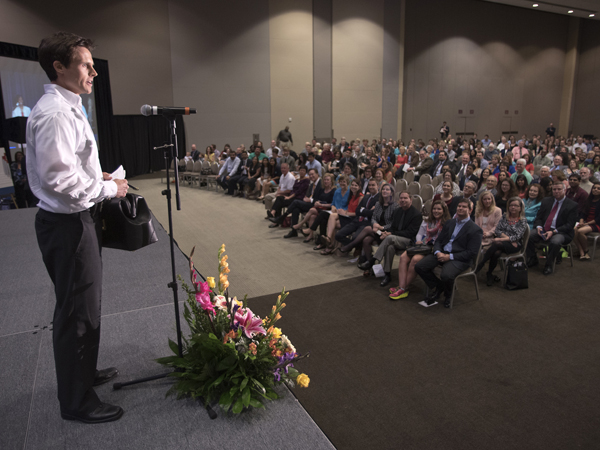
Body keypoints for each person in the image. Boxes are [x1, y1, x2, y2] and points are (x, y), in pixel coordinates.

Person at [27, 32, 128, 423]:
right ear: (59, 67)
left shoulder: (69, 105)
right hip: (67, 225)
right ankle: (76, 401)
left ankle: (83, 374)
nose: (93, 73)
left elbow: (69, 168)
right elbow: (61, 183)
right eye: (86, 65)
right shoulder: (55, 113)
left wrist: (93, 173)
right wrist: (108, 186)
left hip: (74, 220)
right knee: (76, 313)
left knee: (86, 306)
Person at [415, 198, 483, 308]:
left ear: (470, 210)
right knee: (419, 266)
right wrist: (437, 252)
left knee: (446, 275)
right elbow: (439, 241)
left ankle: (448, 295)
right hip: (442, 253)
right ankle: (439, 286)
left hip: (459, 258)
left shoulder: (475, 229)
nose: (460, 208)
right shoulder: (450, 223)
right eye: (459, 206)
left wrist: (449, 257)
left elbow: (471, 252)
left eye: (464, 207)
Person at [389, 200, 451, 300]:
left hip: (433, 249)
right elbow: (419, 233)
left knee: (415, 259)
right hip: (423, 245)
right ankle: (402, 286)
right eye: (434, 209)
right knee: (404, 257)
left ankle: (403, 288)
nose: (436, 211)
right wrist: (418, 241)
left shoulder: (447, 223)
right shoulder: (427, 220)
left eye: (439, 209)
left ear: (444, 211)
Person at [358, 191, 422, 286]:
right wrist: (386, 233)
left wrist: (390, 234)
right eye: (401, 198)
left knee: (390, 238)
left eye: (405, 198)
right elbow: (393, 227)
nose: (403, 200)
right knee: (389, 247)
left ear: (411, 200)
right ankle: (387, 274)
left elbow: (410, 233)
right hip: (394, 238)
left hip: (408, 241)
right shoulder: (397, 211)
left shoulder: (416, 214)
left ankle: (372, 260)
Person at [526, 182, 579, 275]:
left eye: (559, 189)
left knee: (555, 242)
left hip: (561, 232)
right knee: (528, 235)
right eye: (554, 189)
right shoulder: (546, 201)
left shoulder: (572, 205)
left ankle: (549, 264)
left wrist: (554, 232)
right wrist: (538, 226)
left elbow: (569, 225)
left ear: (564, 190)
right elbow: (539, 217)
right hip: (544, 229)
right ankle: (533, 258)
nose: (556, 191)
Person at [336, 183, 398, 261]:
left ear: (392, 192)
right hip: (377, 231)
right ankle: (369, 263)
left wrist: (382, 227)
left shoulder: (395, 206)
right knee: (366, 240)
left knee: (368, 228)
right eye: (383, 189)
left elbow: (394, 223)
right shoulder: (378, 204)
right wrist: (375, 224)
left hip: (386, 232)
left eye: (387, 189)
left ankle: (350, 246)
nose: (384, 191)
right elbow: (374, 217)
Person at [476, 197, 528, 286]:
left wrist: (501, 239)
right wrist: (508, 238)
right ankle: (489, 274)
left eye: (516, 205)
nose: (513, 207)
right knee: (496, 252)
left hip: (515, 245)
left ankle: (481, 264)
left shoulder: (522, 220)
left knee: (497, 243)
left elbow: (518, 236)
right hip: (508, 243)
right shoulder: (504, 216)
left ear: (520, 208)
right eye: (511, 205)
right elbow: (497, 230)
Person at [319, 179, 364, 254]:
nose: (353, 187)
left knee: (332, 222)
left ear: (359, 187)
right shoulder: (352, 195)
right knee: (333, 222)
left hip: (354, 219)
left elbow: (358, 213)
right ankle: (329, 241)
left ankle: (330, 243)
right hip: (347, 216)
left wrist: (346, 213)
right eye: (352, 185)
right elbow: (349, 209)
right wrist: (343, 212)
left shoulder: (361, 197)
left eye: (356, 185)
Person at [574, 182, 600, 260]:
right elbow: (583, 213)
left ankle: (585, 250)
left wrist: (586, 224)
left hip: (597, 224)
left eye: (598, 188)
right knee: (573, 230)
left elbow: (598, 219)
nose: (595, 189)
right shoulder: (589, 200)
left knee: (580, 231)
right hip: (586, 223)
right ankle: (581, 251)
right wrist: (581, 222)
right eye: (594, 188)